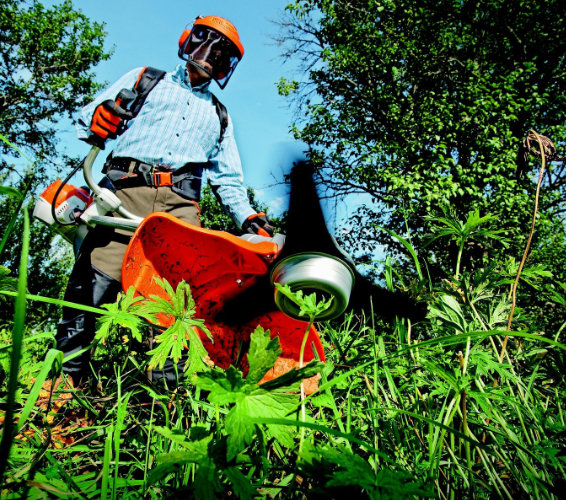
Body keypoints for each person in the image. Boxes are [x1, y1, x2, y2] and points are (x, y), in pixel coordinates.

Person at [56, 15, 273, 385]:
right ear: (188, 40)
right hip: (125, 189)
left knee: (180, 300)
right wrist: (100, 117)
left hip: (180, 206)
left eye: (221, 55)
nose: (209, 57)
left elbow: (229, 181)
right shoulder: (146, 79)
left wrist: (248, 217)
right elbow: (87, 117)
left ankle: (164, 396)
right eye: (205, 44)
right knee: (93, 284)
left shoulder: (220, 116)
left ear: (227, 67)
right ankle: (63, 382)